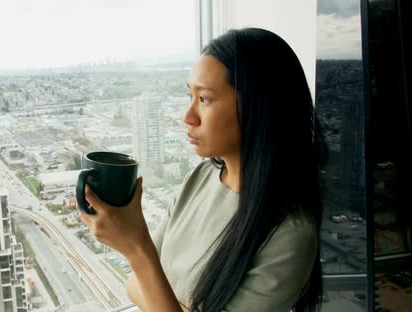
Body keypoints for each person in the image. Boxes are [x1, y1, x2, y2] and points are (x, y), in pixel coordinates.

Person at [78, 28, 327, 312]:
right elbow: (134, 285)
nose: (188, 117)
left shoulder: (289, 236)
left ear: (258, 106)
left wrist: (137, 249)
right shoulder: (200, 178)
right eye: (190, 96)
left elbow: (145, 276)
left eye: (205, 99)